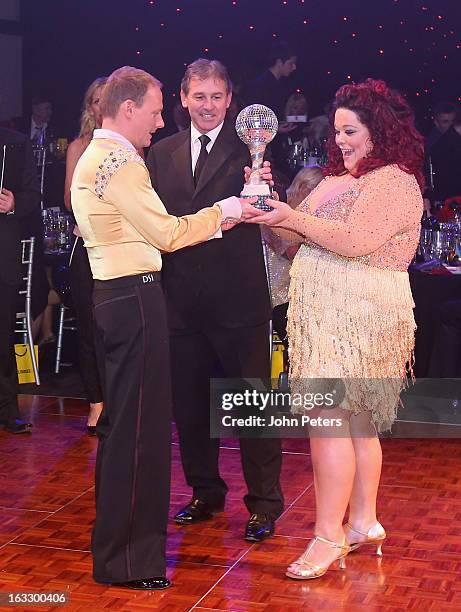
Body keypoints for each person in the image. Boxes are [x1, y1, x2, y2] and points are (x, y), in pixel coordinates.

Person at [71, 65, 259, 590]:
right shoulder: (119, 160)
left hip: (117, 297)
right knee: (140, 435)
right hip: (133, 300)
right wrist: (230, 208)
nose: (160, 123)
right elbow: (169, 234)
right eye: (155, 111)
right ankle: (129, 562)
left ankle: (118, 554)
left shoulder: (97, 155)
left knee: (125, 431)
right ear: (127, 108)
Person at [245, 79, 424, 579]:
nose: (340, 140)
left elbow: (356, 241)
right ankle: (363, 521)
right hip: (327, 310)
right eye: (338, 131)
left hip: (361, 312)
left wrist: (295, 220)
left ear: (380, 131)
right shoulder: (334, 178)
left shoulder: (394, 180)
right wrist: (267, 206)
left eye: (351, 131)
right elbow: (292, 238)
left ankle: (329, 536)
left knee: (332, 422)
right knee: (356, 422)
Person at [147, 58, 284, 542]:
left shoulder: (254, 150)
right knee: (189, 408)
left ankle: (264, 504)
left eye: (217, 96)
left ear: (231, 100)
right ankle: (205, 492)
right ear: (182, 98)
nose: (207, 105)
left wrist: (265, 184)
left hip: (239, 300)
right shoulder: (159, 154)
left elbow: (268, 208)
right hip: (180, 300)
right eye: (198, 96)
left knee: (253, 406)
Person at [64, 77, 107, 434]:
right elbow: (68, 200)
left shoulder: (134, 148)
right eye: (94, 100)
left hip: (123, 250)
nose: (98, 106)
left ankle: (119, 399)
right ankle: (96, 401)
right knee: (89, 330)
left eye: (104, 99)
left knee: (117, 331)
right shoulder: (79, 147)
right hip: (87, 247)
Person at [0, 127, 41, 434]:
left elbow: (33, 196)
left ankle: (7, 408)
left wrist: (13, 203)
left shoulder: (14, 143)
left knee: (3, 338)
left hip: (3, 256)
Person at [263, 167, 324, 344]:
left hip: (302, 294)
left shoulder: (298, 214)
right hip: (281, 297)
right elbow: (296, 256)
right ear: (304, 187)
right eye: (317, 191)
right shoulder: (281, 212)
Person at [244, 40, 297, 123]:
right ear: (279, 62)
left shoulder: (279, 84)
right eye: (291, 63)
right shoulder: (260, 85)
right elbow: (252, 118)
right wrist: (276, 128)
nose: (294, 67)